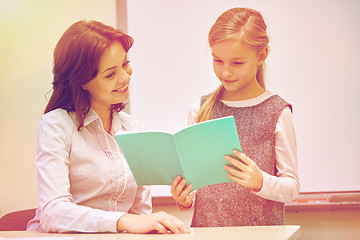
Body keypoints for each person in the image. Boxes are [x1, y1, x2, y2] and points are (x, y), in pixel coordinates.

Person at [27, 20, 189, 234]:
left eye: (125, 63)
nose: (125, 77)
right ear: (81, 81)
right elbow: (53, 212)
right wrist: (122, 220)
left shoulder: (134, 128)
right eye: (110, 74)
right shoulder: (56, 125)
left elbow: (140, 214)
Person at [171, 7, 300, 227]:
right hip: (207, 232)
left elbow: (292, 187)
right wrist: (184, 199)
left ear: (262, 56)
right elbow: (196, 185)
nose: (225, 72)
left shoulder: (277, 112)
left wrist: (260, 181)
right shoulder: (200, 110)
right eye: (217, 61)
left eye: (237, 63)